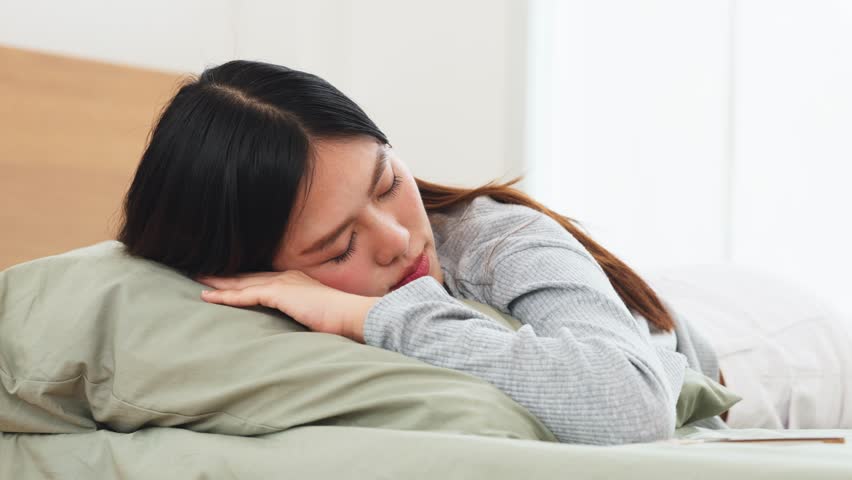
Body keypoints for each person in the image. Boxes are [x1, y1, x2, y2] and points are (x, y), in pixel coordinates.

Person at [117, 60, 729, 446]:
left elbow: (630, 403)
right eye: (339, 246)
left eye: (387, 184)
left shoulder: (497, 243)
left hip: (767, 345)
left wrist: (373, 316)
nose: (398, 239)